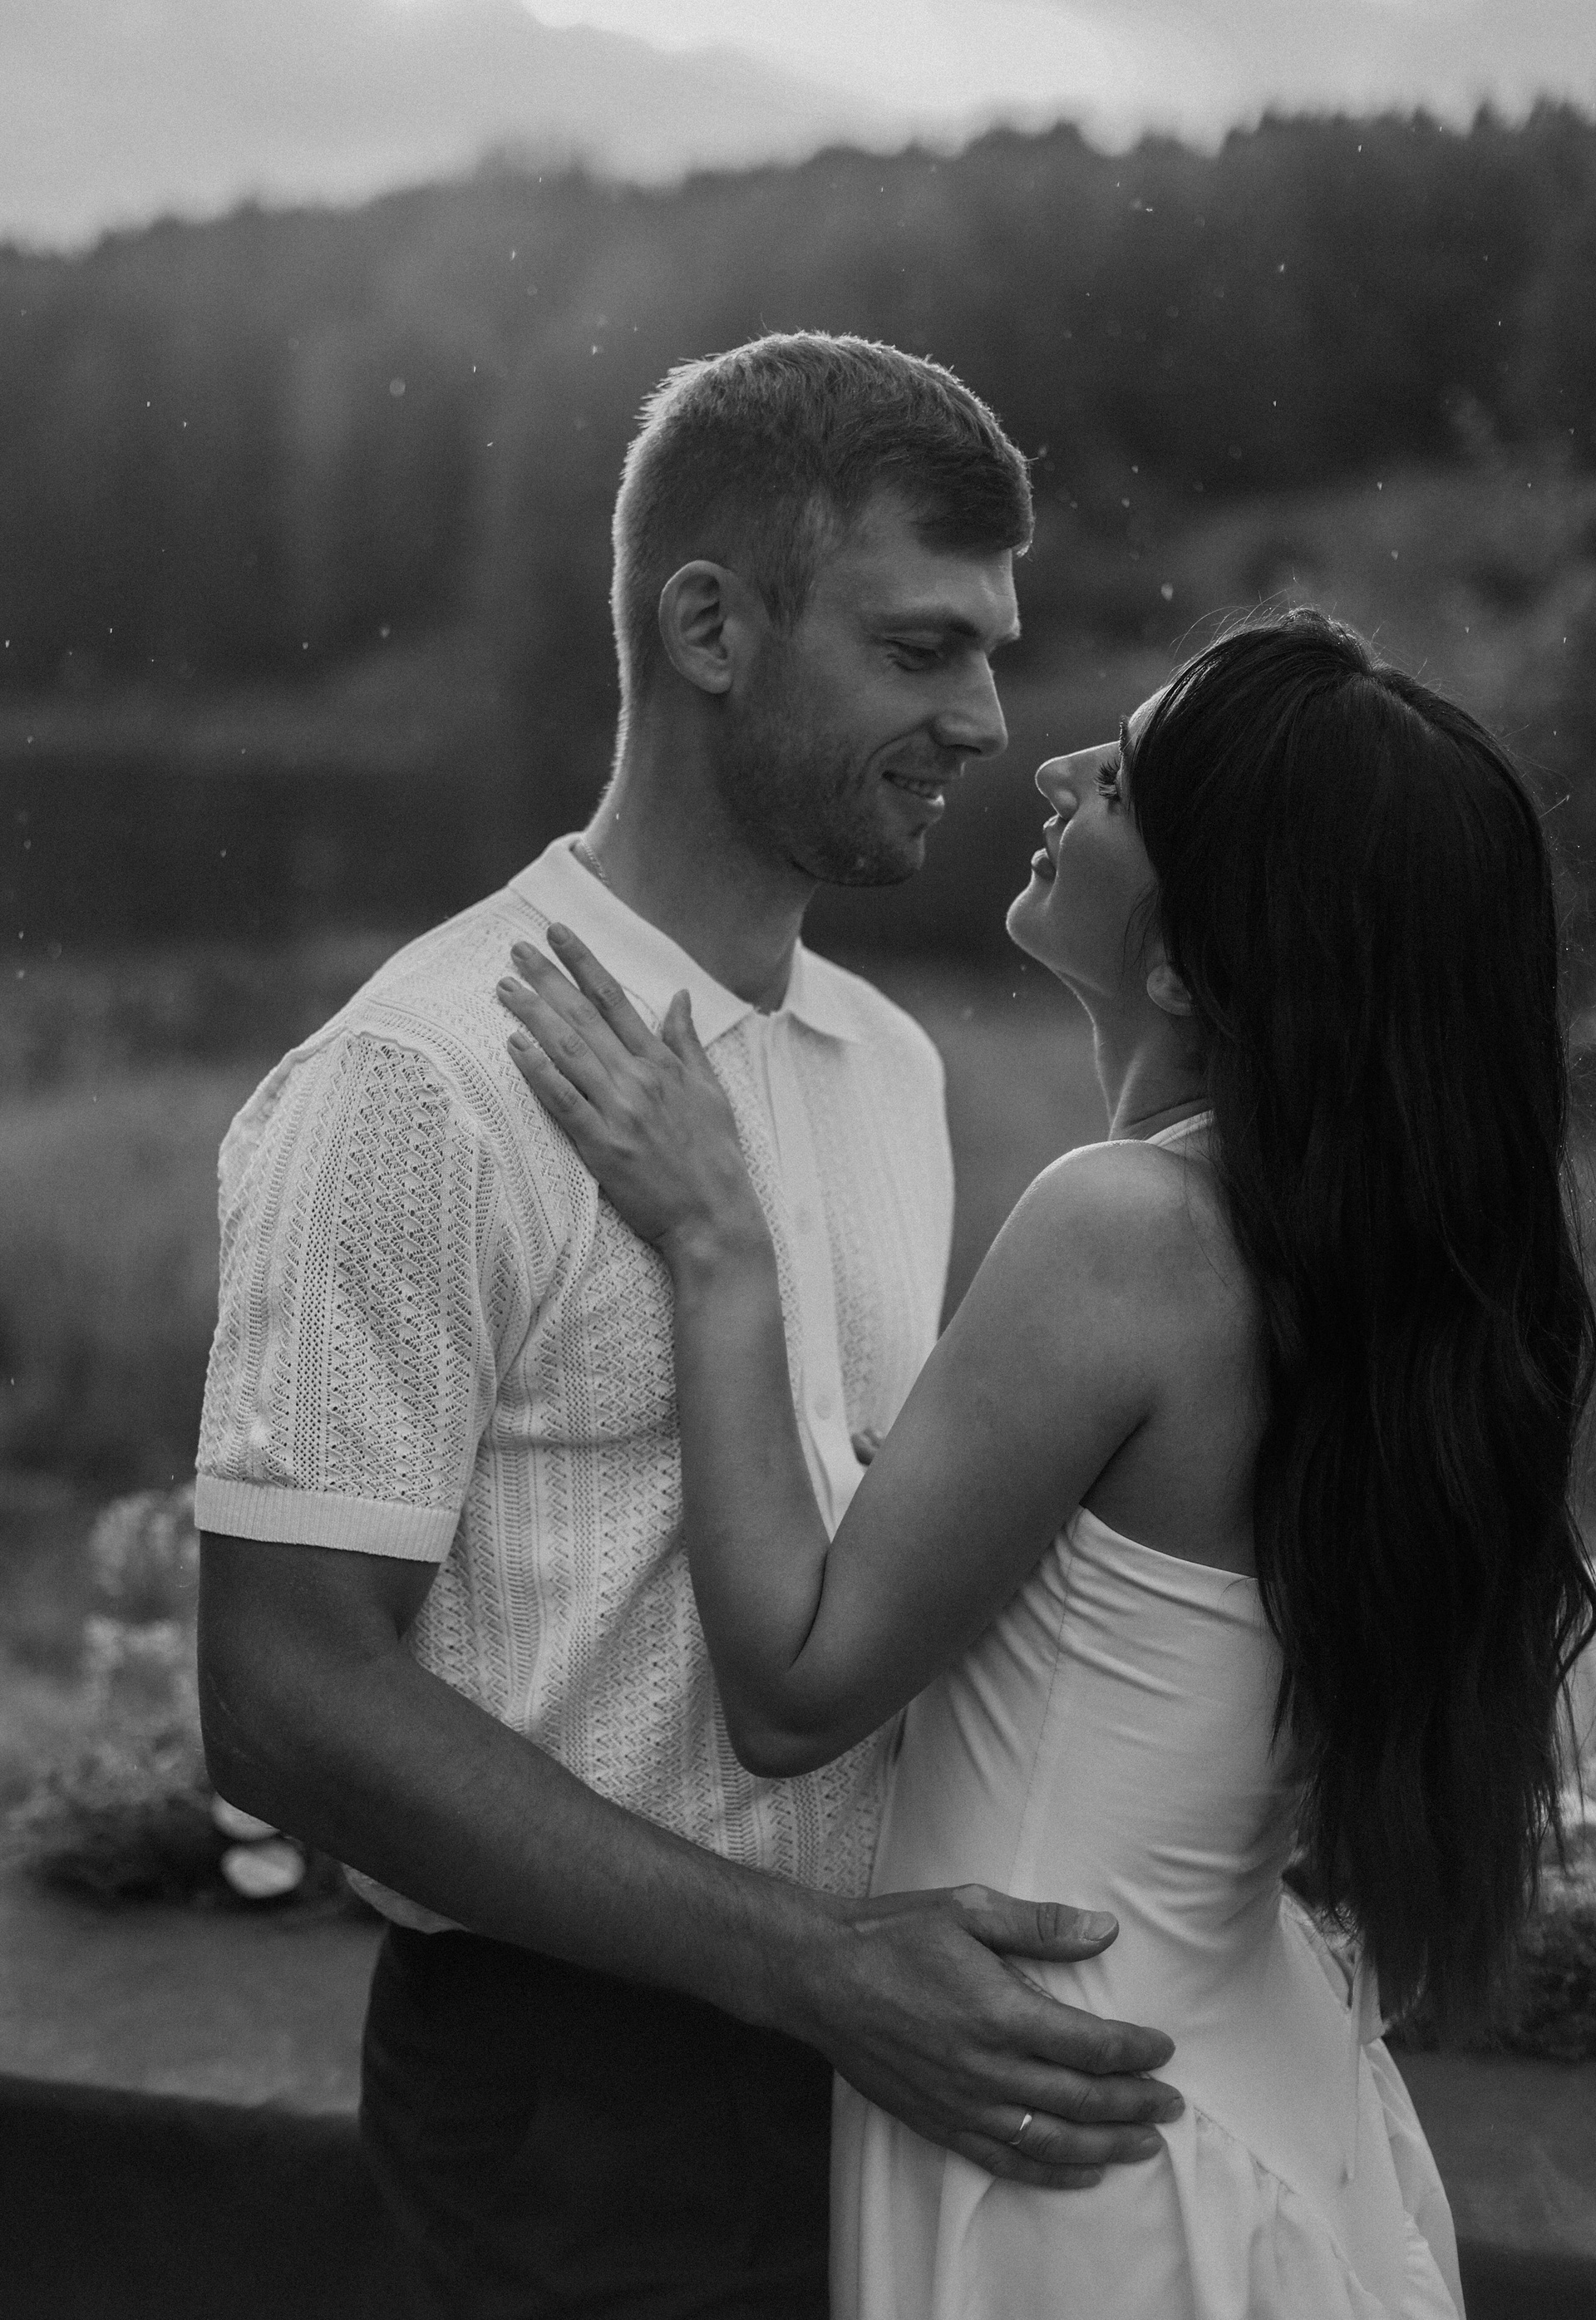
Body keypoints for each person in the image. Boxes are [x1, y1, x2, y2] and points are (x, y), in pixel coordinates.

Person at [194, 332, 1184, 2320]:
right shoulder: (420, 1082)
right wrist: (804, 1964)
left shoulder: (889, 1063)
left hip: (884, 2067)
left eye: (989, 653)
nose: (986, 719)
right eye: (919, 651)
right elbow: (285, 1696)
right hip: (576, 2110)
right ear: (711, 628)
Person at [498, 609, 1596, 2319]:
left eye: (1128, 782)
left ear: (1189, 961)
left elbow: (791, 1689)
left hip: (1067, 2125)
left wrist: (719, 1241)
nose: (1061, 765)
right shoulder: (1361, 1263)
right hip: (1250, 2090)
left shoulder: (1129, 1228)